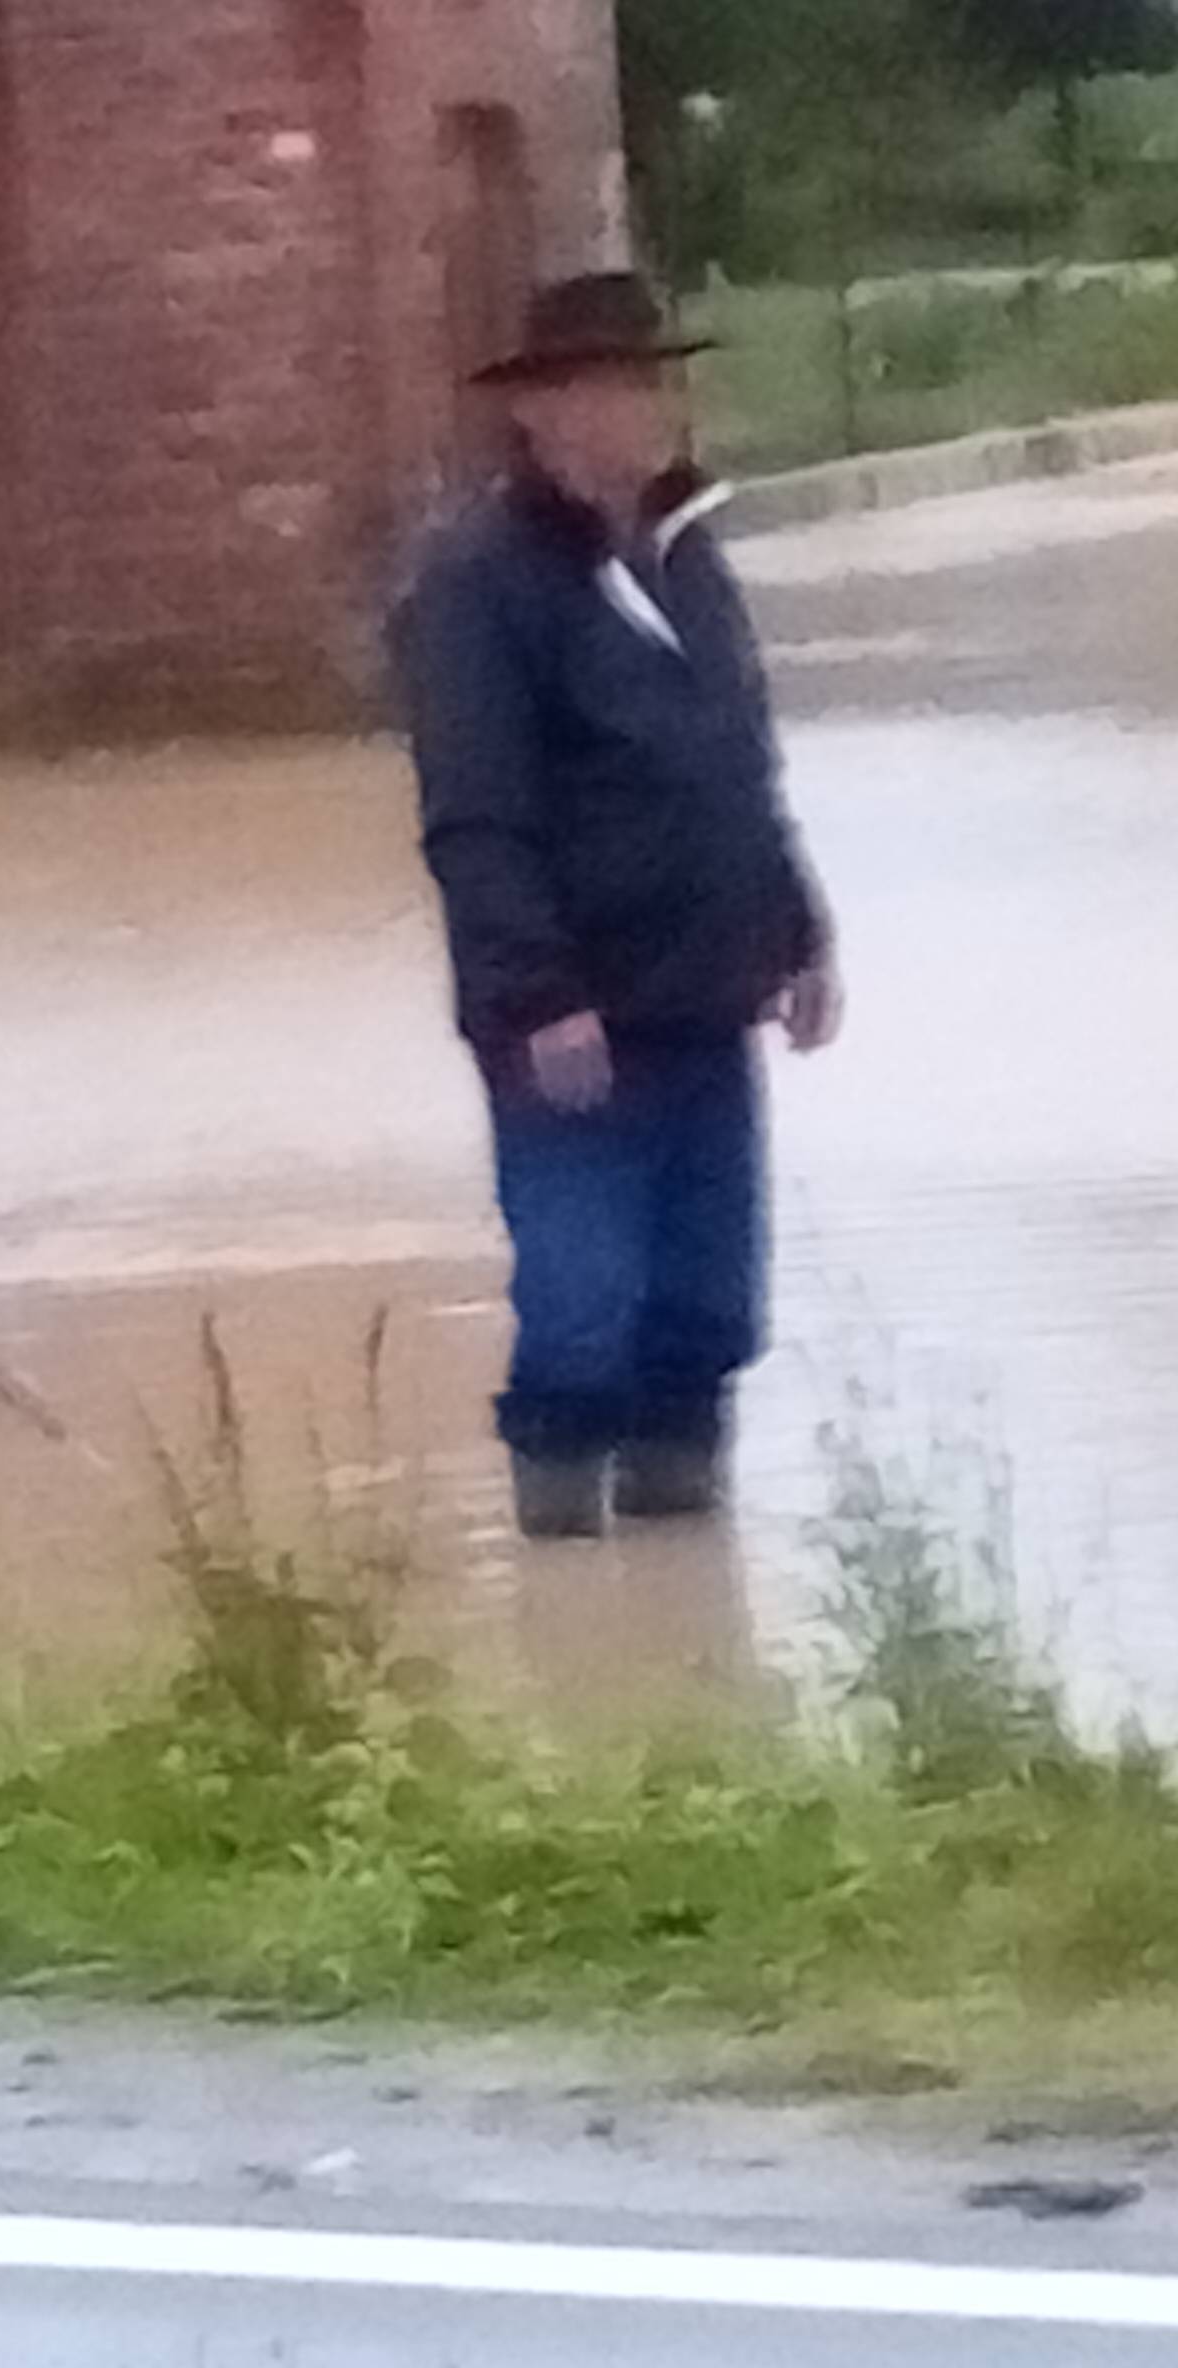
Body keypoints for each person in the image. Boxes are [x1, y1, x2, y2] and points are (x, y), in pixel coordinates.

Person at [394, 273, 841, 1542]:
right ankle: (560, 1552)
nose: (649, 406)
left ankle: (681, 1589)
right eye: (616, 383)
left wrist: (798, 926)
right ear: (540, 409)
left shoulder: (691, 553)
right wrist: (541, 995)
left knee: (706, 1309)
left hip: (709, 990)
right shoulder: (476, 585)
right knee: (583, 1308)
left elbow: (737, 763)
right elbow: (474, 815)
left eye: (655, 380)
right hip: (571, 1016)